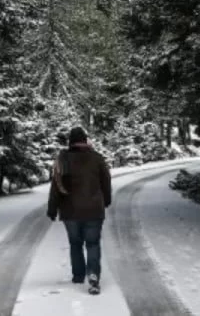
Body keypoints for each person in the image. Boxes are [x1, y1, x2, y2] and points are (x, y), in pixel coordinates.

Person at [48, 126, 112, 295]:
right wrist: (106, 200)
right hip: (93, 210)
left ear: (70, 141)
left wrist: (52, 209)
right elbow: (106, 181)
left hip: (70, 211)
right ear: (85, 140)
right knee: (93, 243)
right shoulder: (97, 158)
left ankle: (78, 276)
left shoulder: (63, 160)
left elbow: (55, 186)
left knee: (75, 243)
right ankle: (93, 275)